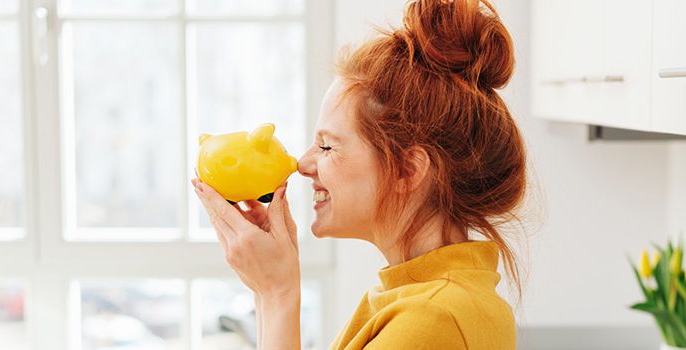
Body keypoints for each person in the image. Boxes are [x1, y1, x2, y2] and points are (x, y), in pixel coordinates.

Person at [191, 0, 526, 348]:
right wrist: (265, 289)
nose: (303, 165)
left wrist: (278, 292)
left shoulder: (431, 319)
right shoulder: (412, 297)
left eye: (327, 147)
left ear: (407, 170)